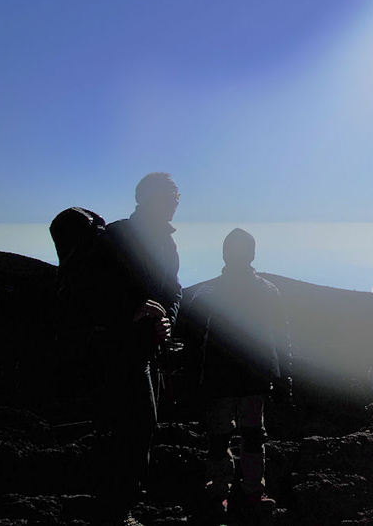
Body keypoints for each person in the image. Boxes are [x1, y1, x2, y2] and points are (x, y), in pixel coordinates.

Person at [184, 227, 290, 518]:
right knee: (250, 435)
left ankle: (223, 490)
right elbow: (281, 339)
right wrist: (283, 375)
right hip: (250, 377)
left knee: (226, 436)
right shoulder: (267, 292)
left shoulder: (208, 294)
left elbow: (194, 343)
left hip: (226, 379)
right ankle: (250, 490)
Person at [95, 172, 182, 526]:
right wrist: (130, 310)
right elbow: (92, 290)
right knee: (133, 423)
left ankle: (119, 504)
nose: (177, 202)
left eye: (177, 196)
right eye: (171, 195)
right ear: (147, 197)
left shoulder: (167, 242)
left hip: (146, 348)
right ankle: (117, 510)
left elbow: (173, 291)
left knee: (140, 424)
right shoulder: (116, 236)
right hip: (115, 346)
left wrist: (167, 321)